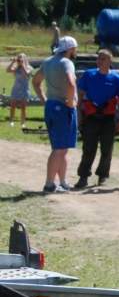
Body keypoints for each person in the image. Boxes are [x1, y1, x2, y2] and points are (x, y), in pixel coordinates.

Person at [74, 49, 119, 188]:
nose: (99, 61)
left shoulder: (117, 79)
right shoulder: (89, 75)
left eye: (103, 59)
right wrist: (78, 114)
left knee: (107, 149)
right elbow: (80, 95)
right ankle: (83, 177)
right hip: (91, 117)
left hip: (108, 118)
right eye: (98, 58)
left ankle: (103, 176)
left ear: (110, 61)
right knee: (88, 148)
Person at [33, 36, 78, 193]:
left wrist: (45, 100)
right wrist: (71, 102)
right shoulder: (67, 63)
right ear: (70, 49)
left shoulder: (47, 62)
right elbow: (71, 83)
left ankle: (62, 182)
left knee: (62, 148)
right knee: (59, 149)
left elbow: (36, 82)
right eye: (75, 48)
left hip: (51, 106)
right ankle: (49, 184)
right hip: (63, 109)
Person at [6, 53, 33, 127]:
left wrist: (23, 65)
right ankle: (11, 121)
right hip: (16, 89)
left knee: (23, 107)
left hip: (25, 89)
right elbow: (8, 70)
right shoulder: (16, 68)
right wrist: (13, 62)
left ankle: (23, 123)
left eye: (21, 58)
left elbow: (26, 74)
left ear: (25, 59)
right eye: (19, 58)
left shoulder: (29, 67)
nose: (19, 60)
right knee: (12, 106)